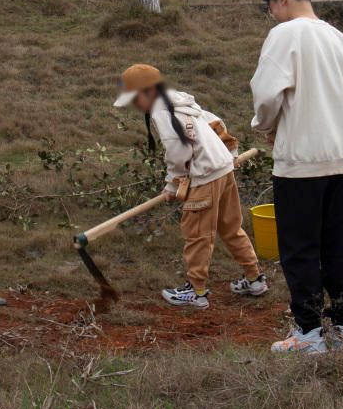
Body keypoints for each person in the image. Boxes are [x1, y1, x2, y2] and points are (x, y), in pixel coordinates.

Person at [250, 0, 343, 355]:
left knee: (300, 248)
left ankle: (310, 332)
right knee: (338, 245)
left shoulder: (285, 34)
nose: (273, 15)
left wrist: (264, 125)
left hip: (301, 161)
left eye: (271, 7)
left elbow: (266, 96)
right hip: (342, 158)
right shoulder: (338, 37)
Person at [113, 64, 267, 309]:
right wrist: (231, 152)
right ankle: (255, 279)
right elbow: (216, 123)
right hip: (223, 172)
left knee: (197, 235)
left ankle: (197, 292)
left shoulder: (162, 111)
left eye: (134, 99)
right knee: (231, 227)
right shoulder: (183, 102)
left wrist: (172, 184)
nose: (134, 105)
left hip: (205, 178)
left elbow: (178, 151)